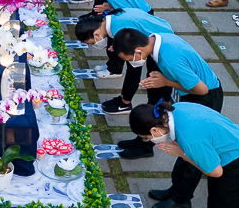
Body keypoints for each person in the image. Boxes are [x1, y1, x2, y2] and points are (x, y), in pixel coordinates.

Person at [113, 30, 223, 208]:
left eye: (130, 58)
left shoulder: (170, 58)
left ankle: (182, 199)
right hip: (193, 94)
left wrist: (165, 81)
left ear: (138, 50)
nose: (131, 63)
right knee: (180, 145)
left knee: (192, 151)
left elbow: (202, 89)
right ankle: (175, 190)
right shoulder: (155, 39)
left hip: (206, 97)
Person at [129, 101, 239, 208]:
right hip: (226, 152)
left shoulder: (189, 140)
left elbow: (215, 172)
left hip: (238, 166)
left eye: (146, 137)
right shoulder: (175, 109)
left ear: (154, 130)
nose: (148, 139)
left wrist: (183, 154)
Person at [74, 9, 173, 158]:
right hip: (158, 41)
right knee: (153, 95)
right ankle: (141, 138)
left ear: (95, 34)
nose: (95, 44)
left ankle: (146, 146)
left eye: (92, 42)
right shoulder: (113, 22)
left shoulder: (119, 28)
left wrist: (125, 100)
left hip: (164, 49)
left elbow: (134, 70)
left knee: (157, 100)